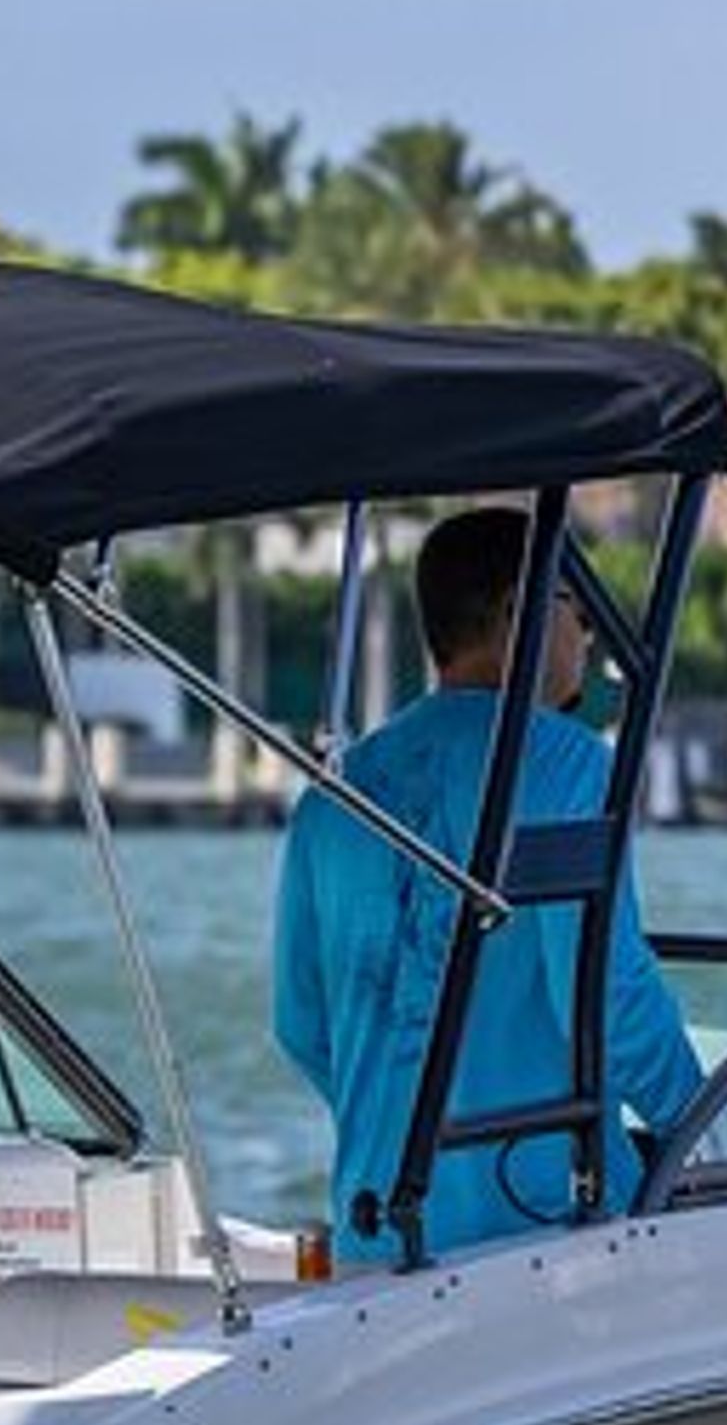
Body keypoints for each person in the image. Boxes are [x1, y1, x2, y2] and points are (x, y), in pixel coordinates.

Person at [272, 505, 703, 1264]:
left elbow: (301, 1023)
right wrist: (702, 1128)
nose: (590, 637)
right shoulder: (570, 763)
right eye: (579, 611)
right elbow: (604, 992)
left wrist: (403, 1118)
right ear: (520, 611)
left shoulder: (333, 794)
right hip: (542, 1234)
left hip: (377, 1234)